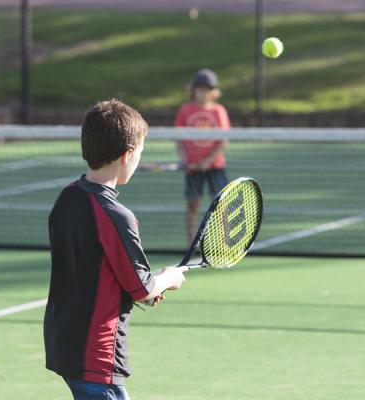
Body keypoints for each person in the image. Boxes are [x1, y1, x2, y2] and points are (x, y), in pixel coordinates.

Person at [44, 99, 187, 400]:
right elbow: (141, 288)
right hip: (96, 355)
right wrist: (169, 278)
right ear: (127, 155)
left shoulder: (67, 198)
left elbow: (95, 269)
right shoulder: (115, 215)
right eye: (141, 152)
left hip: (64, 342)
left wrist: (143, 288)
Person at [175, 69, 231, 244]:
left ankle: (225, 243)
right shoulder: (185, 110)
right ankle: (191, 244)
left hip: (216, 167)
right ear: (193, 90)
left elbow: (223, 140)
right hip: (192, 168)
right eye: (200, 89)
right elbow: (179, 138)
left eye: (207, 90)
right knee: (192, 205)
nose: (203, 93)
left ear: (214, 92)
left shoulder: (219, 111)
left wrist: (208, 161)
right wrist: (185, 159)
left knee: (221, 205)